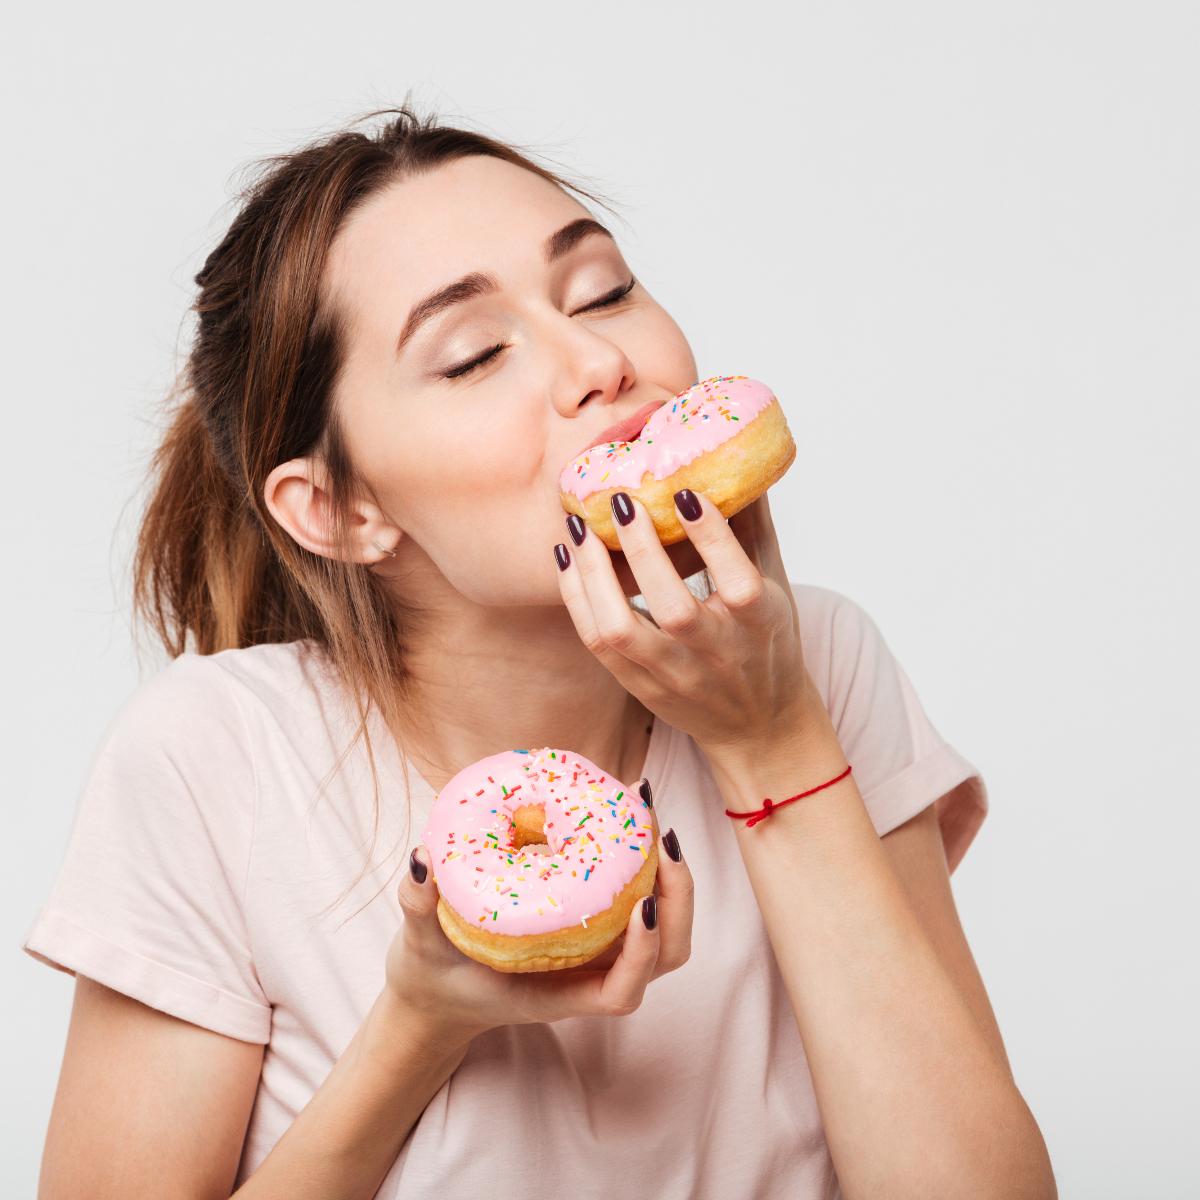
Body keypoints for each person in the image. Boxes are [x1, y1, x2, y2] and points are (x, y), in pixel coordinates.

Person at [22, 104, 1056, 1199]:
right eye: (473, 356)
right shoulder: (216, 760)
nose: (601, 361)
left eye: (603, 290)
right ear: (338, 510)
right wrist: (421, 1024)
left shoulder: (818, 660)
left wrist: (774, 741)